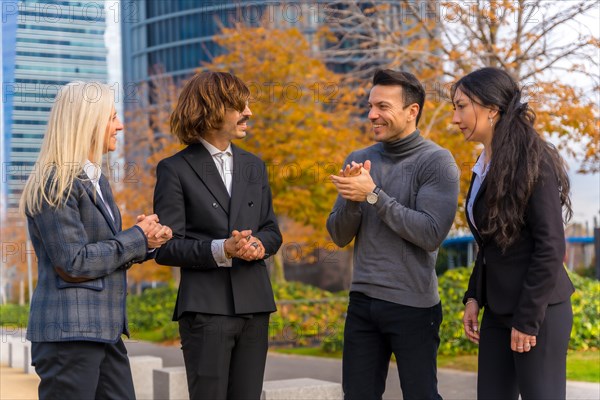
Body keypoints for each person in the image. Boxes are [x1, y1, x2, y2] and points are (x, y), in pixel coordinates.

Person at [20, 81, 172, 399]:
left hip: (103, 331)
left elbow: (102, 251)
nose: (120, 125)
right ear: (86, 121)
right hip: (70, 336)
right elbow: (73, 262)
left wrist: (145, 241)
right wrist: (135, 238)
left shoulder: (96, 178)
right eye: (112, 116)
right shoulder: (55, 180)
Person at [326, 69, 459, 400]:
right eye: (370, 106)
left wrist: (373, 195)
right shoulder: (359, 160)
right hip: (362, 302)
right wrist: (354, 201)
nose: (372, 115)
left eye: (383, 106)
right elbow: (339, 235)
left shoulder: (438, 162)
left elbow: (429, 233)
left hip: (413, 305)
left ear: (412, 111)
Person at [153, 71, 282, 400]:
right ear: (212, 109)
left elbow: (271, 230)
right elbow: (166, 248)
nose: (249, 113)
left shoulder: (255, 165)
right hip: (206, 310)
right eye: (241, 106)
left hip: (255, 306)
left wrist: (258, 245)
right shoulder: (174, 169)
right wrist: (222, 249)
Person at [453, 67, 575, 400]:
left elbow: (551, 246)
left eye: (461, 106)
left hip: (538, 311)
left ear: (492, 109)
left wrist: (526, 319)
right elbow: (490, 244)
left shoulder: (534, 161)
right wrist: (474, 296)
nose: (454, 117)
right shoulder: (483, 165)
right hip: (497, 312)